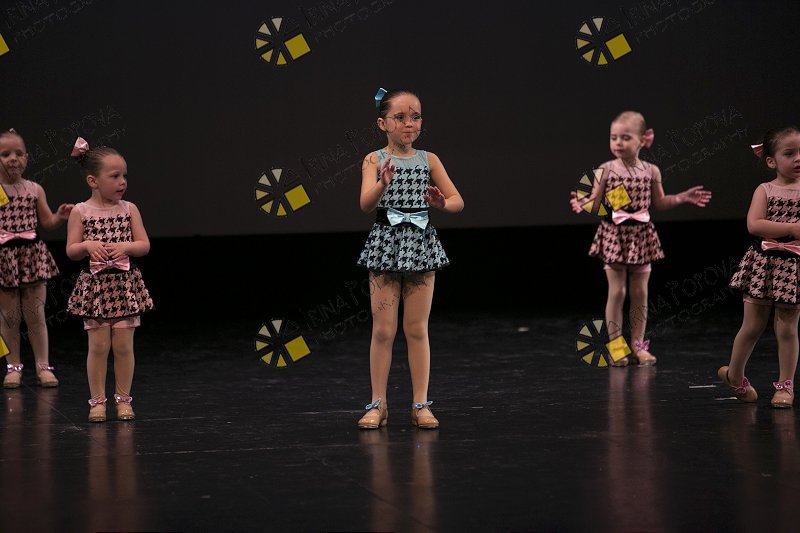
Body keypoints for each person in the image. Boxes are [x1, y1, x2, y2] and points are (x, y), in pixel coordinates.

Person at [356, 88, 463, 429]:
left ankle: (420, 404)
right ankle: (378, 404)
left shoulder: (429, 159)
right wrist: (382, 183)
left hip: (420, 244)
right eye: (400, 117)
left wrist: (442, 203)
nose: (408, 123)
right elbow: (366, 204)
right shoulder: (373, 160)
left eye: (415, 117)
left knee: (416, 328)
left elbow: (457, 199)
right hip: (386, 245)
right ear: (382, 123)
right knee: (383, 330)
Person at [570, 111, 711, 366]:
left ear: (644, 139)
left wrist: (682, 197)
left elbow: (660, 202)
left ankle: (638, 346)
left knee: (640, 293)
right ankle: (616, 347)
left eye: (625, 137)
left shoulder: (651, 170)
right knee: (617, 292)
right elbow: (596, 203)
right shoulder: (606, 169)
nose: (618, 143)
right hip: (615, 234)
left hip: (641, 236)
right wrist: (583, 204)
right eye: (613, 137)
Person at [66, 138, 153, 422]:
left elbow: (144, 245)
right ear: (93, 181)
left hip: (123, 286)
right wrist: (86, 245)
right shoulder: (81, 211)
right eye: (114, 176)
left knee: (124, 347)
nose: (122, 181)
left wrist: (126, 247)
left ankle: (124, 399)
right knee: (99, 346)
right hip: (96, 288)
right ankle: (97, 402)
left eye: (124, 175)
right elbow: (71, 250)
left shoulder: (129, 209)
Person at [719, 126, 800, 408]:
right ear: (771, 161)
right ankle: (734, 375)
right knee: (752, 325)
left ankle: (786, 385)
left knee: (788, 328)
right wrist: (791, 228)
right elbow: (754, 224)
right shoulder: (765, 190)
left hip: (793, 267)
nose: (798, 158)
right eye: (789, 153)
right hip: (763, 263)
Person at [0, 128, 73, 388]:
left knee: (36, 315)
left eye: (18, 153)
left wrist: (59, 216)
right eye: (5, 154)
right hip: (4, 259)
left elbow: (47, 222)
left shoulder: (34, 189)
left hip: (31, 255)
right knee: (8, 316)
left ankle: (43, 366)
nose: (13, 159)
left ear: (27, 158)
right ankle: (13, 367)